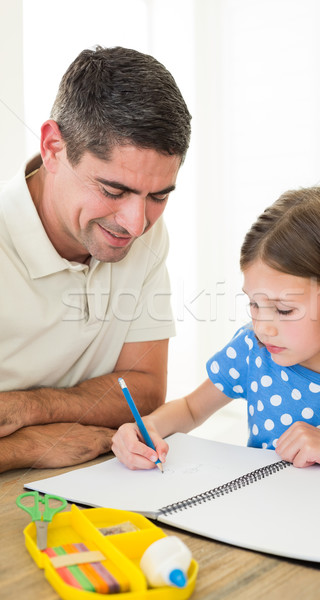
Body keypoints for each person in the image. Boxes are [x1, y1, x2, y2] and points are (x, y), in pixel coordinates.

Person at [112, 186, 320, 474]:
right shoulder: (254, 351)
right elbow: (191, 409)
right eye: (254, 304)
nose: (261, 327)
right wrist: (145, 429)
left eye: (284, 310)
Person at [0, 46, 191, 472]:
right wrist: (27, 447)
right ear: (53, 147)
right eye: (113, 190)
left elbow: (143, 390)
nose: (137, 223)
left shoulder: (147, 233)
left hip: (91, 471)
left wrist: (31, 409)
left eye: (159, 196)